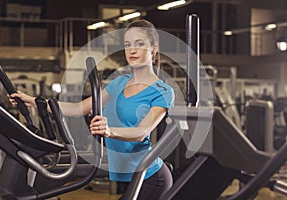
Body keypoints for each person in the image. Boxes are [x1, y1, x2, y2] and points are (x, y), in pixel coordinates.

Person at [9, 19, 174, 199]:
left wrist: (109, 131)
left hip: (150, 176)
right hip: (128, 172)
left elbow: (141, 132)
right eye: (128, 45)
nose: (132, 50)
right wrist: (32, 101)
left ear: (154, 48)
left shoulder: (163, 91)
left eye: (139, 44)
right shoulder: (119, 83)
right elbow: (78, 108)